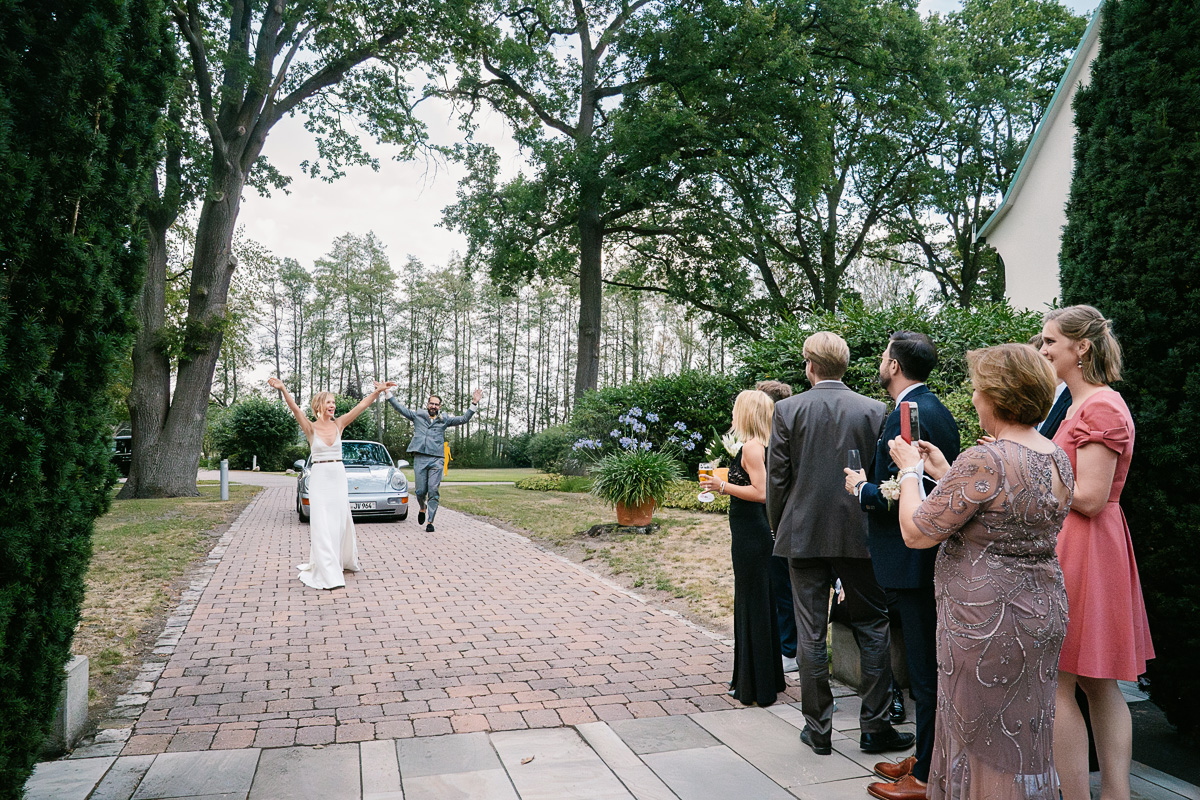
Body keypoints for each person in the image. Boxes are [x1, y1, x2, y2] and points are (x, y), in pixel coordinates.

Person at [889, 343, 1073, 800]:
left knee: (980, 741)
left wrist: (911, 472)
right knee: (1022, 739)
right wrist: (946, 470)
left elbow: (917, 532)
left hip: (984, 622)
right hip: (1041, 615)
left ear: (997, 395)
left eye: (976, 389)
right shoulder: (1057, 456)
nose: (973, 398)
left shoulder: (986, 459)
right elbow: (1004, 512)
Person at [767, 332, 914, 757]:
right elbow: (880, 474)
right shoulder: (873, 409)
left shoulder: (787, 409)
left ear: (810, 365)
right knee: (873, 625)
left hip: (804, 533)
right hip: (859, 533)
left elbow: (779, 479)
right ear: (844, 366)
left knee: (810, 631)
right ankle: (874, 727)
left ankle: (818, 730)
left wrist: (780, 527)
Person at [1040, 305, 1154, 800]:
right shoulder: (1078, 405)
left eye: (1049, 342)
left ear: (1080, 347)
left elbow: (1088, 496)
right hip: (1083, 544)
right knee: (1089, 683)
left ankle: (1095, 795)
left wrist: (1034, 467)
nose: (1042, 350)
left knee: (1062, 683)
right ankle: (1112, 794)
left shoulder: (1100, 407)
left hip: (1085, 545)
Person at [842, 332, 960, 800]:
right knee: (923, 666)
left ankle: (928, 776)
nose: (880, 361)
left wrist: (862, 489)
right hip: (917, 558)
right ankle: (927, 756)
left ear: (893, 364)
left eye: (883, 355)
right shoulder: (928, 406)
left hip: (917, 560)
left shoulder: (915, 413)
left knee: (925, 670)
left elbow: (909, 494)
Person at [700, 390, 784, 707]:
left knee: (752, 602)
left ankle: (756, 685)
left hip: (752, 534)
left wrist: (721, 486)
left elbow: (762, 492)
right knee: (758, 602)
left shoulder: (751, 447)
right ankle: (764, 679)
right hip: (753, 532)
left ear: (746, 414)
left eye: (736, 411)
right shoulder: (763, 444)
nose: (733, 416)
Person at [268, 377, 395, 590]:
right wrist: (283, 389)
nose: (333, 405)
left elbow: (361, 406)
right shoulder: (310, 428)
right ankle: (328, 572)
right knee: (321, 523)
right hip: (319, 476)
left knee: (338, 523)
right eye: (329, 402)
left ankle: (339, 560)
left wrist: (378, 392)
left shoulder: (339, 424)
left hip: (337, 475)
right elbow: (295, 408)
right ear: (319, 406)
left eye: (334, 402)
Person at [385, 388, 482, 532]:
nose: (434, 406)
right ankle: (422, 507)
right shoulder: (418, 416)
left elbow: (464, 419)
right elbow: (400, 408)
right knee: (420, 491)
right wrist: (387, 393)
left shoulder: (444, 420)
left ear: (440, 407)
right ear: (428, 404)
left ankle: (430, 521)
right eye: (432, 403)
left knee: (433, 489)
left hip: (437, 459)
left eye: (437, 404)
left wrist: (474, 402)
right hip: (420, 458)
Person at [756, 379, 799, 675]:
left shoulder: (784, 437)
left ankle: (789, 650)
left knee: (784, 587)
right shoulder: (761, 438)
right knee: (773, 586)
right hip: (763, 523)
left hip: (783, 522)